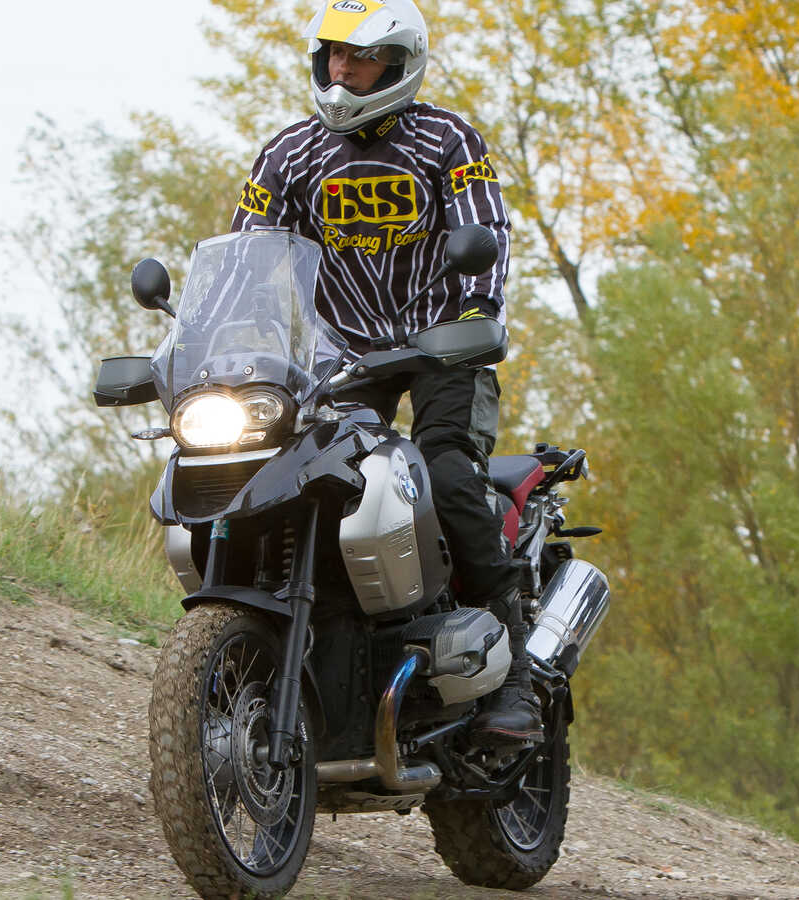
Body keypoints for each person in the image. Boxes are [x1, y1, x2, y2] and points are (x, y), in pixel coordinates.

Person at [229, 0, 540, 745]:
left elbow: (484, 232)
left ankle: (517, 675)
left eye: (360, 57)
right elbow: (247, 256)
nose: (342, 70)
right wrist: (231, 344)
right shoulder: (289, 153)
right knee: (280, 475)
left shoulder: (447, 138)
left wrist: (472, 321)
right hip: (341, 360)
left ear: (398, 66)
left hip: (440, 348)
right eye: (334, 54)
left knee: (447, 474)